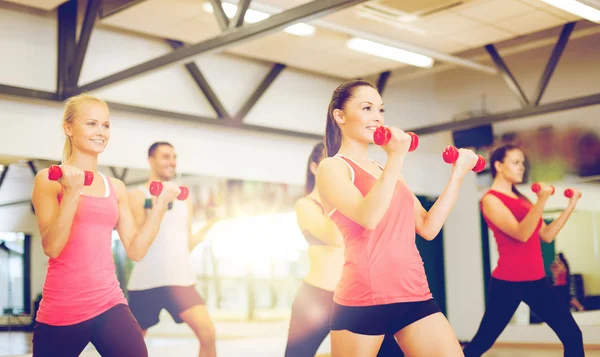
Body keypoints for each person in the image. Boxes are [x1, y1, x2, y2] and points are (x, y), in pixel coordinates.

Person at [316, 79, 479, 357]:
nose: (377, 117)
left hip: (414, 293)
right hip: (364, 299)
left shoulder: (385, 168)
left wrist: (458, 175)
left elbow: (428, 227)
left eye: (380, 110)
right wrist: (395, 157)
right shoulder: (332, 168)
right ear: (339, 116)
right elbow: (369, 216)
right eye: (367, 108)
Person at [31, 94, 181, 357]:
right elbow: (52, 247)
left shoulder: (117, 188)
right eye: (91, 124)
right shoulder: (48, 180)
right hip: (61, 310)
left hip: (109, 303)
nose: (100, 132)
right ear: (69, 128)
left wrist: (159, 207)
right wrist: (72, 193)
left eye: (105, 125)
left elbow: (136, 250)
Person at [462, 144, 584, 357]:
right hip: (508, 282)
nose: (521, 168)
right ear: (498, 165)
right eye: (516, 162)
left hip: (536, 281)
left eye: (523, 163)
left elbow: (546, 235)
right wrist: (542, 200)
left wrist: (570, 206)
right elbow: (521, 234)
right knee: (483, 342)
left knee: (572, 334)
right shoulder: (491, 199)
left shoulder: (523, 200)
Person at [284, 142, 403, 357]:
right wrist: (334, 197)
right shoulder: (306, 205)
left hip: (355, 293)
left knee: (390, 353)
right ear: (314, 168)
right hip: (317, 296)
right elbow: (336, 238)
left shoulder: (354, 202)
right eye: (330, 162)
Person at [127, 142, 219, 357]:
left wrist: (210, 223)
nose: (172, 162)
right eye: (166, 157)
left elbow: (185, 245)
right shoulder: (137, 196)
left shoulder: (184, 202)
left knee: (208, 334)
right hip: (146, 282)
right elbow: (138, 242)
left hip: (180, 281)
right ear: (151, 160)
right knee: (132, 346)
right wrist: (157, 206)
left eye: (174, 157)